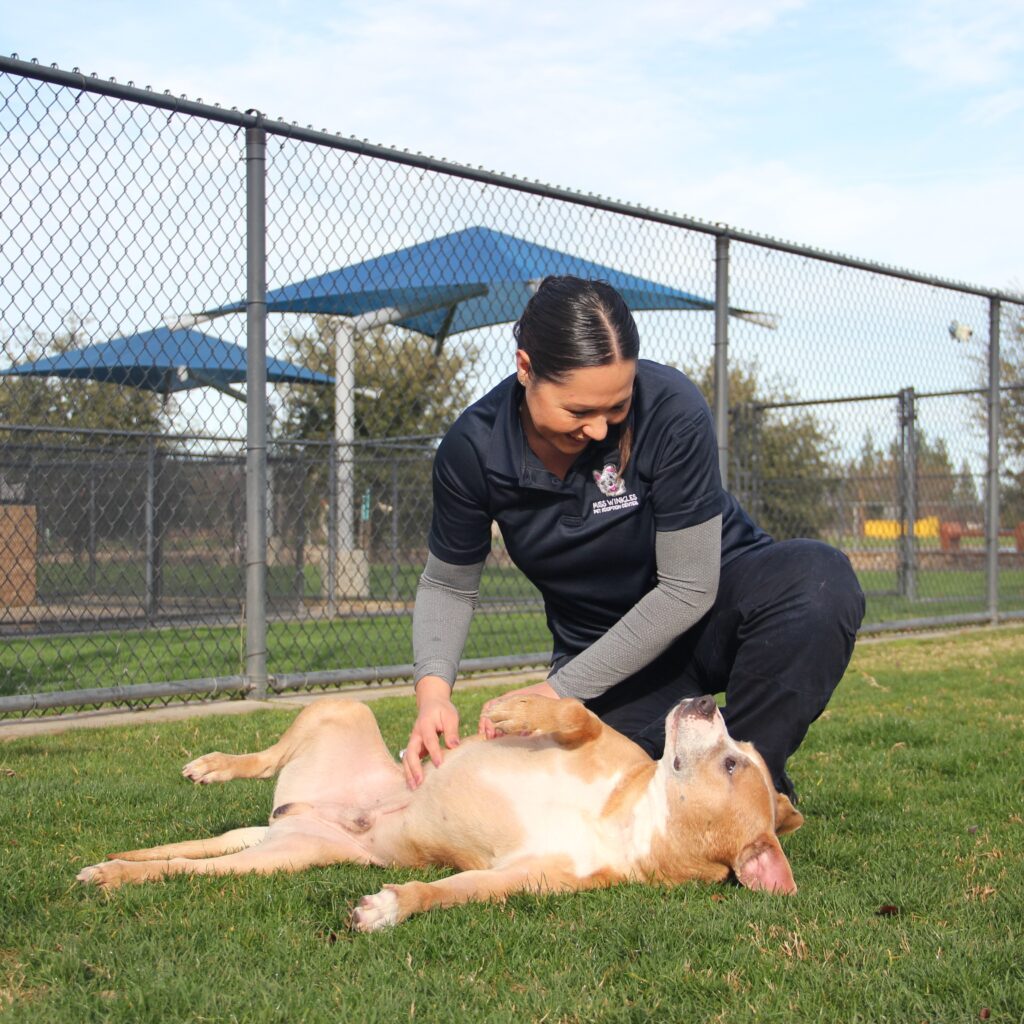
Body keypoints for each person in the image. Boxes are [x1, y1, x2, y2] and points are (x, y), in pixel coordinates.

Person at [403, 275, 865, 800]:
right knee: (582, 796)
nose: (600, 430)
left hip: (716, 608)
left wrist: (555, 692)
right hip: (610, 655)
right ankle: (687, 784)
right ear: (526, 369)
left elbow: (688, 589)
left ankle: (743, 787)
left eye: (616, 408)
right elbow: (449, 584)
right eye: (579, 411)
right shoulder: (472, 449)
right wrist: (433, 693)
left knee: (819, 584)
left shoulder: (672, 408)